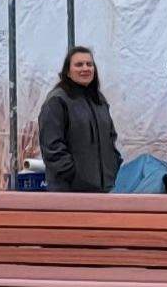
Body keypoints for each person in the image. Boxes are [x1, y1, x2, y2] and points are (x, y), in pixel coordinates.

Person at [37, 46, 121, 194]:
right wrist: (74, 176)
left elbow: (110, 137)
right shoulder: (57, 101)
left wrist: (113, 166)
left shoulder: (99, 100)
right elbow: (52, 147)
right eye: (79, 64)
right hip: (69, 192)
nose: (85, 68)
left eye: (89, 64)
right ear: (68, 72)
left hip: (103, 190)